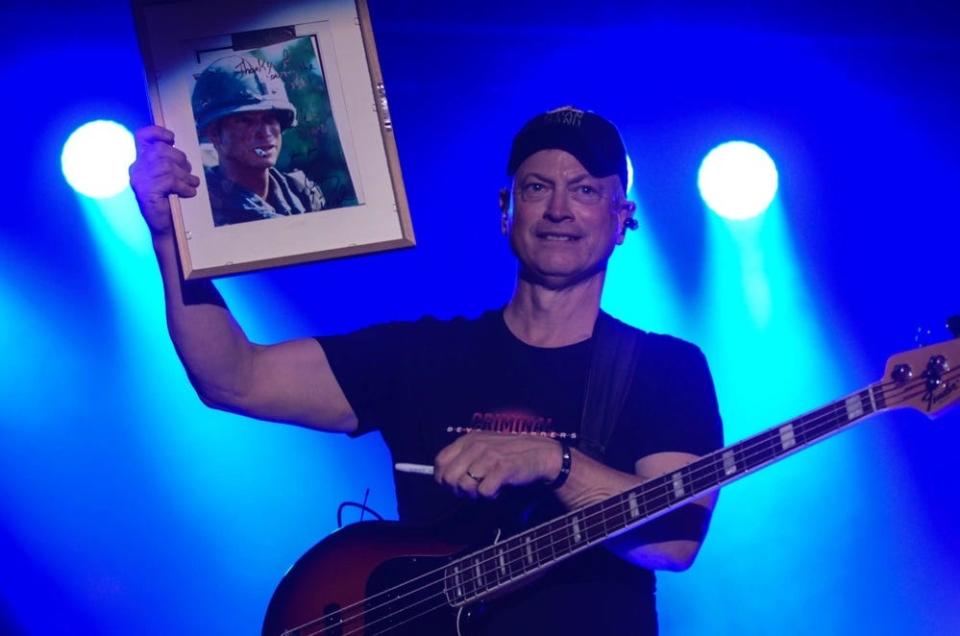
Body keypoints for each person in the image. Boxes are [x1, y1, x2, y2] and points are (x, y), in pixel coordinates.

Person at [130, 105, 723, 634]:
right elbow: (234, 377)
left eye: (587, 190)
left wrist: (553, 462)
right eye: (538, 186)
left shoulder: (664, 368)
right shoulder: (424, 354)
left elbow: (672, 542)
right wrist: (170, 238)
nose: (560, 209)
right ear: (505, 209)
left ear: (623, 218)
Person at [191, 54, 326, 226]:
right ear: (215, 134)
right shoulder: (201, 209)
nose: (265, 132)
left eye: (270, 118)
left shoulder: (302, 194)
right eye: (245, 120)